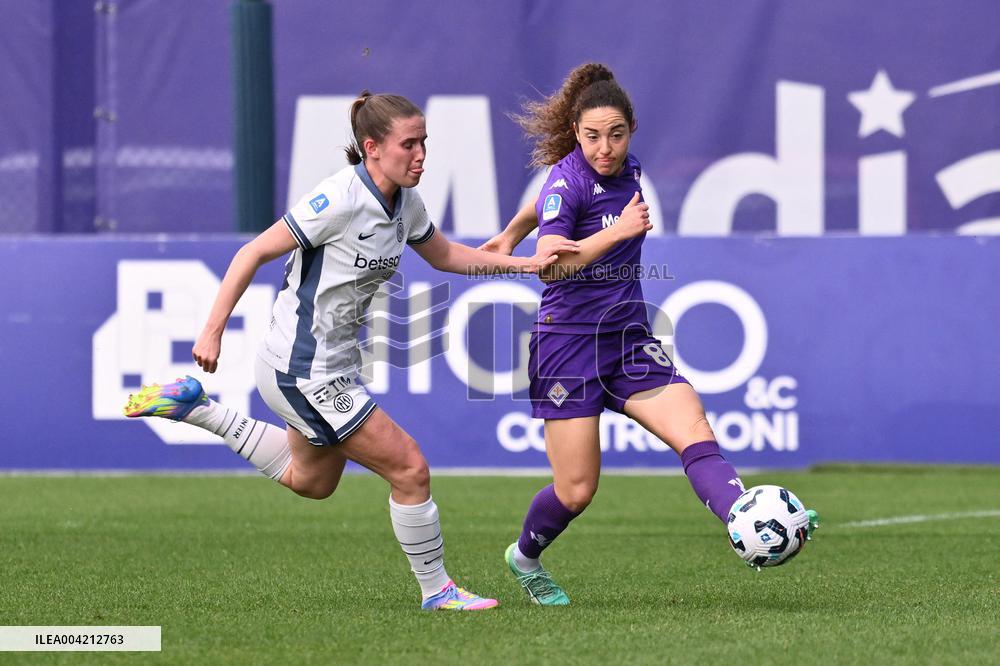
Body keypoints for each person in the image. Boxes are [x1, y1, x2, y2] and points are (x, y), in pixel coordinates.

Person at [124, 91, 579, 611]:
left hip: (329, 366)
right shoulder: (338, 199)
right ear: (372, 148)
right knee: (410, 468)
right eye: (409, 144)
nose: (421, 154)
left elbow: (447, 256)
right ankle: (439, 591)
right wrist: (212, 331)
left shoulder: (406, 202)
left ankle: (197, 408)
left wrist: (526, 265)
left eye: (424, 142)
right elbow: (252, 251)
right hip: (303, 369)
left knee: (312, 482)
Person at [480, 63, 818, 606]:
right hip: (567, 346)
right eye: (591, 137)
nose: (605, 148)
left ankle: (747, 517)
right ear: (575, 131)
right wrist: (616, 232)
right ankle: (524, 556)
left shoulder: (626, 170)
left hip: (627, 340)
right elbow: (549, 268)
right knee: (577, 490)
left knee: (695, 429)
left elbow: (542, 206)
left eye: (615, 134)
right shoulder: (568, 181)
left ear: (631, 131)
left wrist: (510, 231)